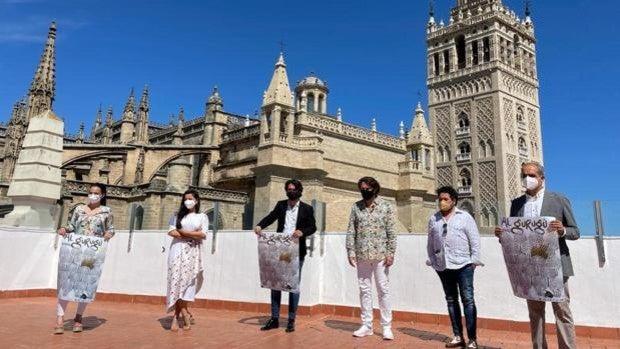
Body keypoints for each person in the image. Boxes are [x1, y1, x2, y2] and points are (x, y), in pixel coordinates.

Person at [495, 162, 579, 349]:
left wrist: (562, 230)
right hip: (529, 266)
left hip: (555, 266)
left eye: (532, 175)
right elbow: (516, 236)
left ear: (542, 178)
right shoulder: (517, 203)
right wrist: (504, 235)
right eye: (524, 175)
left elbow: (576, 231)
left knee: (562, 311)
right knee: (535, 312)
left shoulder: (558, 199)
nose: (528, 179)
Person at [254, 179, 317, 333]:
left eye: (294, 189)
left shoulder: (307, 209)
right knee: (276, 283)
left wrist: (302, 232)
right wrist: (260, 225)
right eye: (288, 189)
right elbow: (271, 217)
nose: (291, 191)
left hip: (296, 250)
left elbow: (313, 226)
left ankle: (291, 320)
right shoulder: (281, 205)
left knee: (293, 285)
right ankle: (274, 318)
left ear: (299, 191)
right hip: (280, 249)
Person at [54, 183, 115, 335]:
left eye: (96, 193)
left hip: (91, 253)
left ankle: (78, 318)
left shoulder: (107, 212)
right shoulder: (79, 209)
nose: (93, 195)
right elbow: (71, 226)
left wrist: (108, 235)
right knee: (66, 282)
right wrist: (64, 229)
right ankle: (60, 319)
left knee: (85, 283)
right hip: (74, 251)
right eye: (91, 192)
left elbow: (111, 229)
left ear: (102, 195)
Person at [427, 186, 482, 349]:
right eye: (440, 199)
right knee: (451, 301)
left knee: (468, 301)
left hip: (464, 265)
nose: (442, 202)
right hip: (443, 266)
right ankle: (458, 336)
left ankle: (472, 339)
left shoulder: (464, 217)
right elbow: (430, 242)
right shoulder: (434, 219)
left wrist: (474, 261)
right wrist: (433, 260)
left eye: (445, 199)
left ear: (453, 201)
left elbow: (475, 240)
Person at [346, 176, 396, 340]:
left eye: (367, 188)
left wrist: (391, 252)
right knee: (364, 290)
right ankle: (367, 325)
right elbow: (351, 230)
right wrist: (350, 251)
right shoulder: (356, 207)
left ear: (374, 189)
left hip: (381, 254)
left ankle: (386, 326)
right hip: (361, 254)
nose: (364, 191)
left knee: (383, 290)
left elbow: (391, 231)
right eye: (361, 188)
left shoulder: (386, 206)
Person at [166, 189, 209, 331]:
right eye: (185, 199)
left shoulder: (202, 216)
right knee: (176, 282)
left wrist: (184, 232)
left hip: (193, 252)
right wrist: (191, 235)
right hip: (177, 251)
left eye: (190, 198)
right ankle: (183, 315)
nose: (187, 201)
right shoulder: (177, 216)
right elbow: (172, 231)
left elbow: (202, 234)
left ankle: (178, 316)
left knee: (187, 283)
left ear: (196, 200)